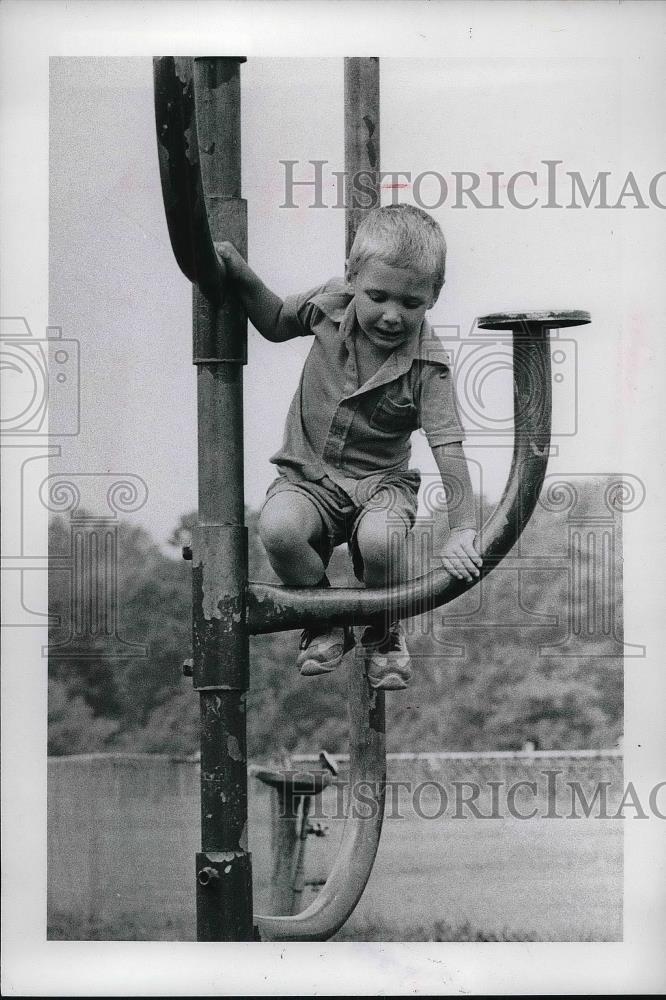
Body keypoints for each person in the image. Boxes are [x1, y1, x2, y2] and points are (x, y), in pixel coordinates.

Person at [215, 204, 481, 690]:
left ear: (434, 297)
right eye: (377, 296)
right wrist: (237, 270)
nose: (392, 315)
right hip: (307, 478)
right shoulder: (329, 304)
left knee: (381, 541)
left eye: (411, 302)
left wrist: (463, 528)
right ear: (352, 278)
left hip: (382, 486)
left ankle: (383, 632)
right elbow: (275, 319)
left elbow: (447, 445)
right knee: (278, 528)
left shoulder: (428, 365)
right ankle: (324, 620)